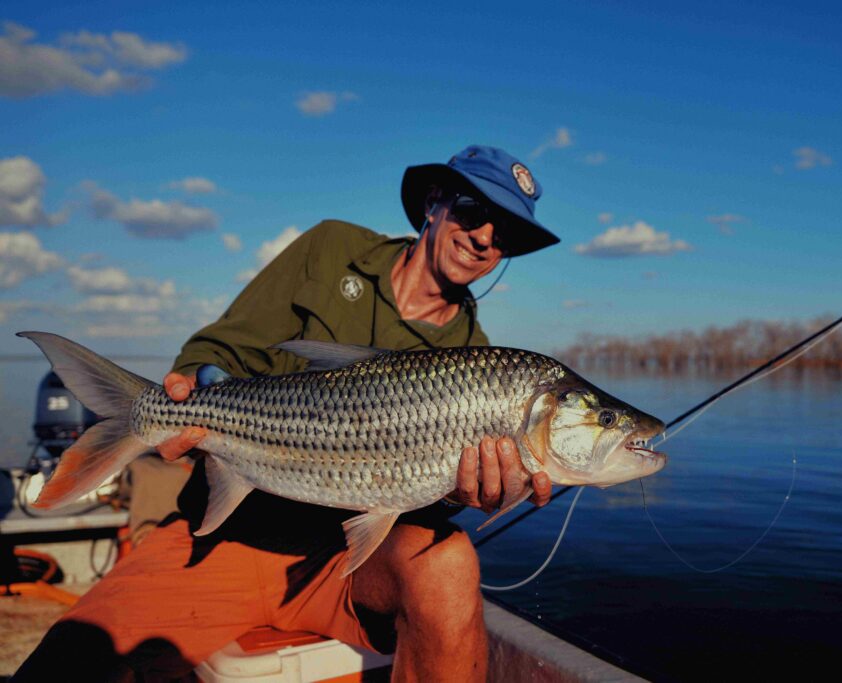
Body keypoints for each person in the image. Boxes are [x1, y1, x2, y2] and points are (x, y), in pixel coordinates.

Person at [14, 145, 561, 682]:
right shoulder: (330, 248)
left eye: (505, 234)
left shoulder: (479, 356)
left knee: (451, 561)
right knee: (70, 661)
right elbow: (222, 349)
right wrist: (198, 392)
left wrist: (467, 494)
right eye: (472, 212)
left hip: (342, 563)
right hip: (226, 534)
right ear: (434, 203)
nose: (485, 237)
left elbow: (422, 498)